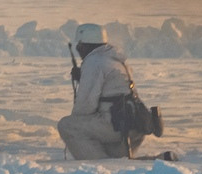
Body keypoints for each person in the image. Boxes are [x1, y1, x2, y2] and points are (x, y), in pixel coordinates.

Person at [57, 23, 145, 161]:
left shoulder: (94, 62)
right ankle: (162, 159)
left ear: (85, 45)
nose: (78, 50)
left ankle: (100, 166)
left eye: (79, 46)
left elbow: (85, 106)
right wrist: (83, 78)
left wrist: (77, 121)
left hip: (114, 125)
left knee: (67, 126)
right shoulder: (115, 59)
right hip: (133, 127)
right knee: (119, 161)